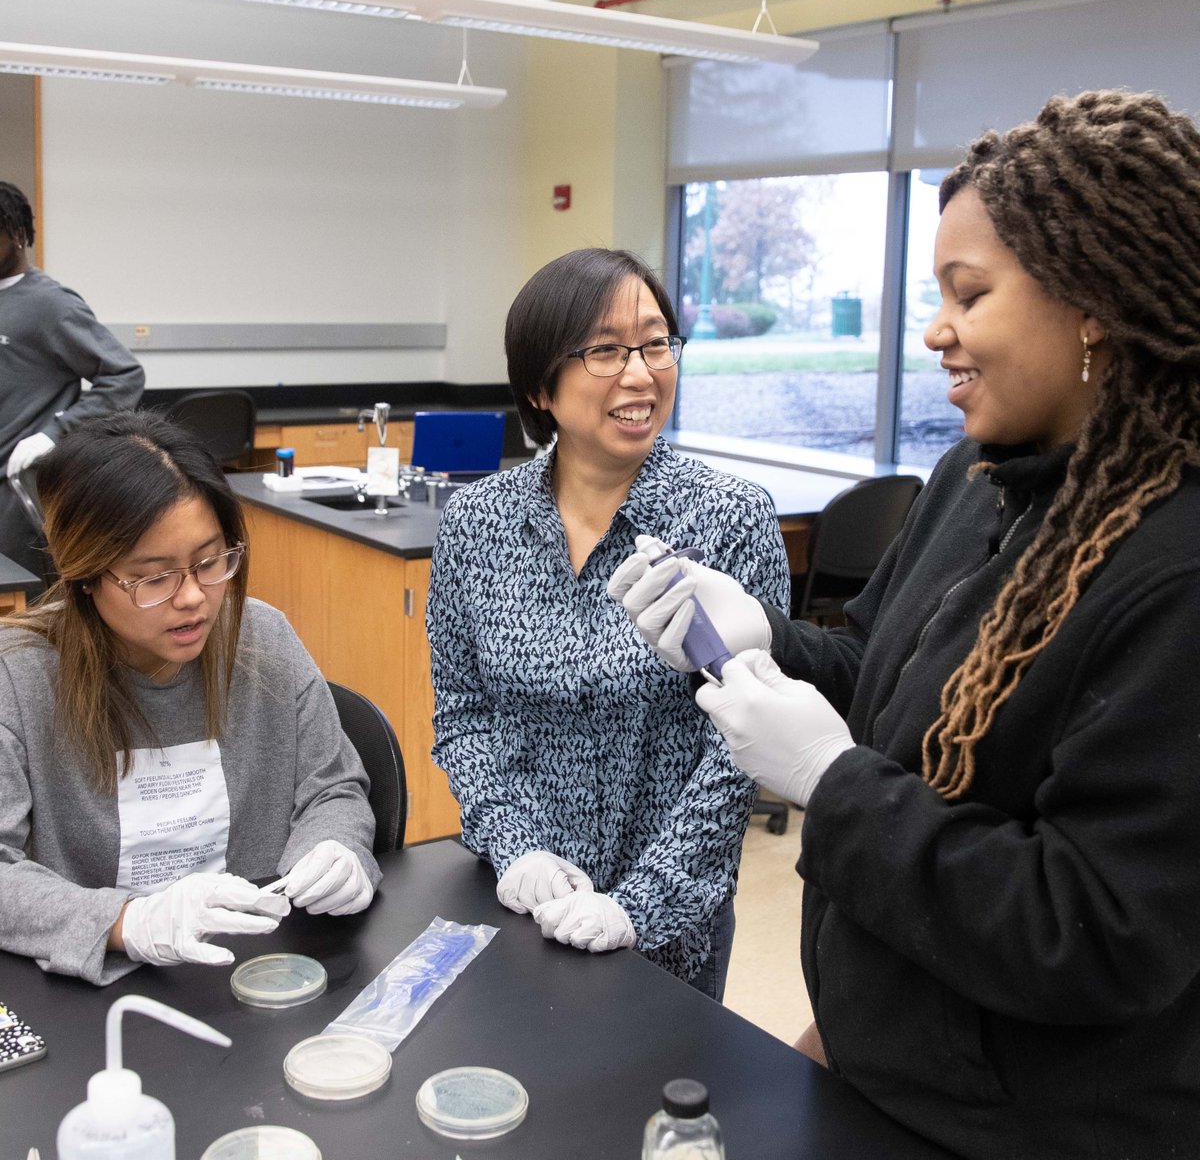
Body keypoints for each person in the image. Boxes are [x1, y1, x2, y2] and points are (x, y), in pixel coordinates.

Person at [610, 90, 1200, 1157]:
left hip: (1043, 1128)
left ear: (1098, 302)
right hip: (895, 1067)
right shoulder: (976, 478)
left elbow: (1098, 932)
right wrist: (767, 642)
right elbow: (875, 673)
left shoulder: (1175, 569)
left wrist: (835, 787)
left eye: (968, 295)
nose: (935, 330)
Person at [427, 248, 790, 998]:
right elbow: (463, 715)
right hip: (517, 898)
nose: (640, 372)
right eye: (605, 350)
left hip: (669, 921)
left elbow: (741, 746)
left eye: (656, 343)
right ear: (539, 386)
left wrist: (639, 904)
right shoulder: (475, 523)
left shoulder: (727, 518)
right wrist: (515, 846)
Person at [0, 410, 381, 986]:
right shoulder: (19, 677)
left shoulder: (262, 637)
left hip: (263, 969)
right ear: (84, 574)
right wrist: (126, 921)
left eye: (210, 561)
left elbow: (333, 787)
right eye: (153, 577)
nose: (194, 599)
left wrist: (337, 845)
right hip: (102, 993)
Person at [0, 181, 144, 581]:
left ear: (16, 235)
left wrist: (53, 434)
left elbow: (124, 375)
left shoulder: (52, 304)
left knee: (24, 612)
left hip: (14, 491)